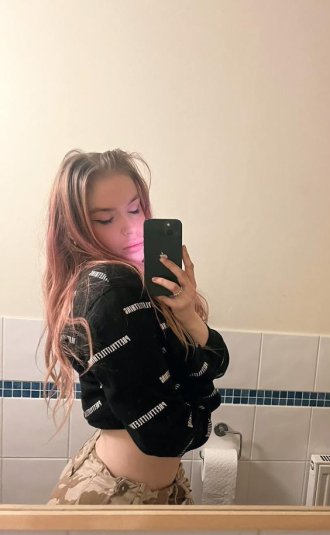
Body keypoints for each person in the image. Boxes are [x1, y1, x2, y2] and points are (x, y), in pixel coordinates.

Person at [43, 148, 229, 505]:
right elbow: (167, 432)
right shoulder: (111, 288)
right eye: (105, 219)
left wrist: (187, 314)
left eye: (134, 209)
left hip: (148, 486)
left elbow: (217, 362)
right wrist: (207, 398)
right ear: (76, 228)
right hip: (116, 495)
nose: (130, 228)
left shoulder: (140, 285)